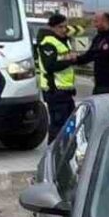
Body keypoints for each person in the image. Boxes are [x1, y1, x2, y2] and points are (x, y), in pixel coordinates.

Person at [36, 14, 79, 142]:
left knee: (70, 124)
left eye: (65, 26)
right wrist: (70, 60)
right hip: (54, 90)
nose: (64, 29)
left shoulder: (64, 41)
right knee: (58, 125)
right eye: (60, 27)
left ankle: (65, 151)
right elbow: (50, 66)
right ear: (52, 28)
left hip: (66, 91)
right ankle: (53, 153)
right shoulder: (48, 43)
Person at [77, 12, 109, 94]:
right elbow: (90, 55)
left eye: (96, 22)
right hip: (100, 85)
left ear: (105, 22)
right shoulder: (98, 38)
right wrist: (74, 59)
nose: (94, 25)